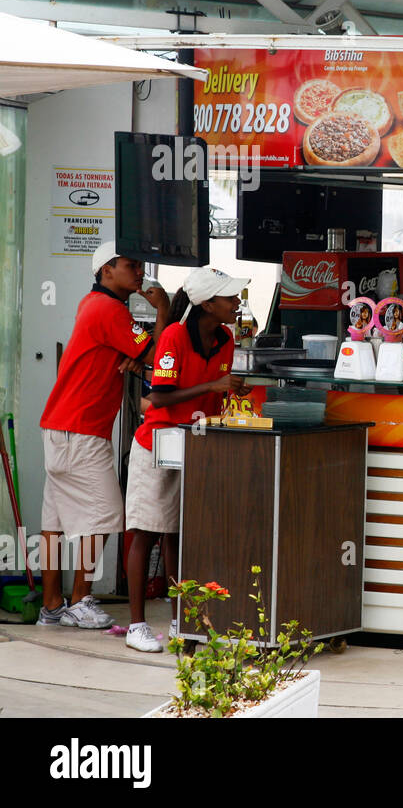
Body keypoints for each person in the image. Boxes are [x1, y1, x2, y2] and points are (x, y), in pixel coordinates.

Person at [37, 242, 170, 629]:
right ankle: (79, 600)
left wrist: (128, 352)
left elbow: (137, 350)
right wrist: (163, 310)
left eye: (141, 264)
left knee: (56, 522)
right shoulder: (109, 309)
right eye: (131, 265)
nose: (140, 271)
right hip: (81, 430)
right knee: (107, 517)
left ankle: (52, 607)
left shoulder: (93, 305)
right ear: (106, 271)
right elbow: (157, 357)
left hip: (63, 427)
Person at [124, 268, 250, 652]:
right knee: (145, 532)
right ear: (207, 303)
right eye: (230, 298)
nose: (237, 303)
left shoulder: (226, 339)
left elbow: (216, 400)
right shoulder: (174, 337)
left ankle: (183, 622)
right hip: (156, 445)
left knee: (179, 535)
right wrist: (211, 386)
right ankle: (136, 626)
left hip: (196, 447)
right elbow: (159, 398)